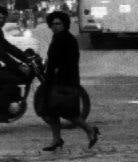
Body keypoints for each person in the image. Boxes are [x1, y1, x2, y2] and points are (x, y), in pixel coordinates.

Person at [36, 11, 98, 151]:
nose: (55, 26)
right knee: (52, 112)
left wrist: (57, 71)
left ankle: (90, 130)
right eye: (53, 24)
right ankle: (56, 139)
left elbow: (68, 61)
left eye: (58, 24)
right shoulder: (57, 37)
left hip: (64, 82)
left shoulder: (67, 39)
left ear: (65, 24)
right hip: (55, 80)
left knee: (67, 112)